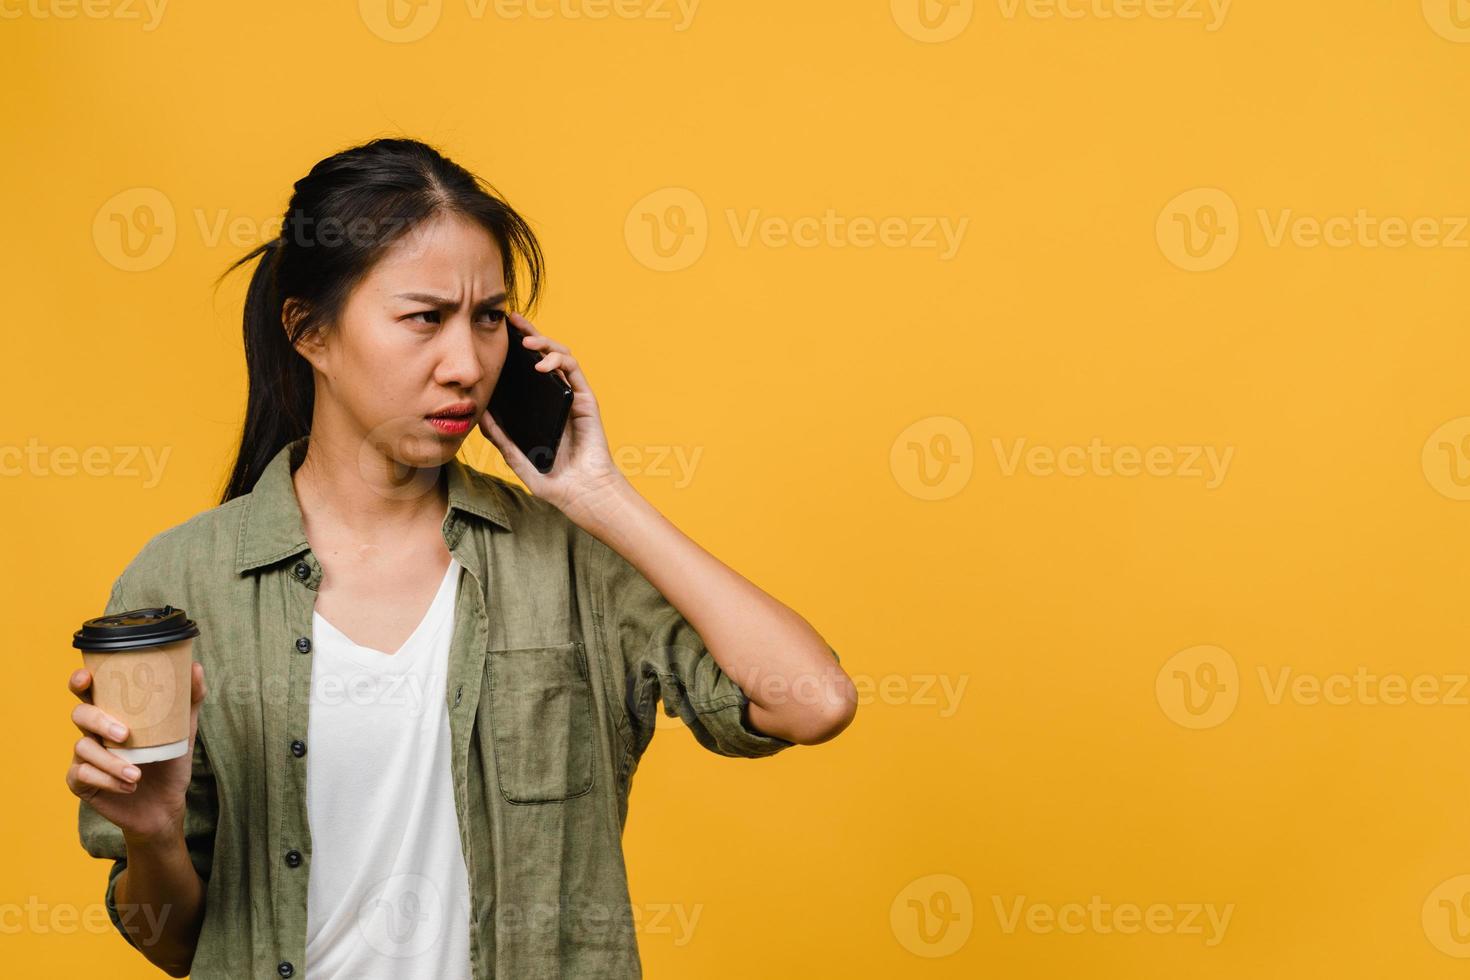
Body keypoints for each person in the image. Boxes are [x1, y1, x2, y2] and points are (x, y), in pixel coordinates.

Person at [65, 137, 855, 979]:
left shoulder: (571, 559)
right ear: (309, 331)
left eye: (488, 319)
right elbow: (173, 943)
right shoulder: (181, 585)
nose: (467, 364)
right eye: (424, 318)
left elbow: (812, 703)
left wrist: (599, 495)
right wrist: (150, 832)